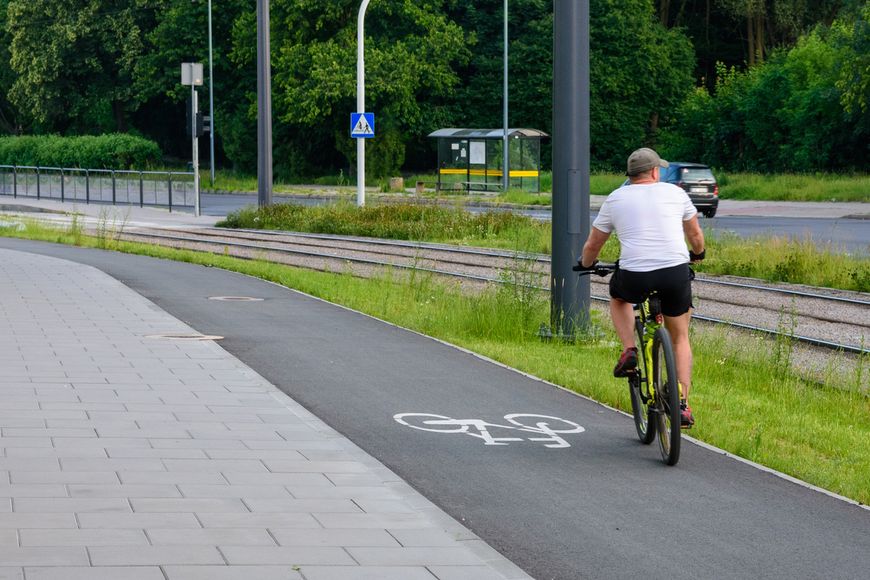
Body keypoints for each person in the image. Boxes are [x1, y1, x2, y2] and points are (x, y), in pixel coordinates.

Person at [577, 147, 705, 427]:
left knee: (619, 297)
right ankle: (682, 405)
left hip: (635, 274)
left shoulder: (616, 198)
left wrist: (586, 264)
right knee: (680, 337)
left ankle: (629, 350)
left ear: (630, 175)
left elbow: (593, 244)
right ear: (656, 171)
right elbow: (695, 234)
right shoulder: (675, 193)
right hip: (674, 273)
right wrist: (698, 254)